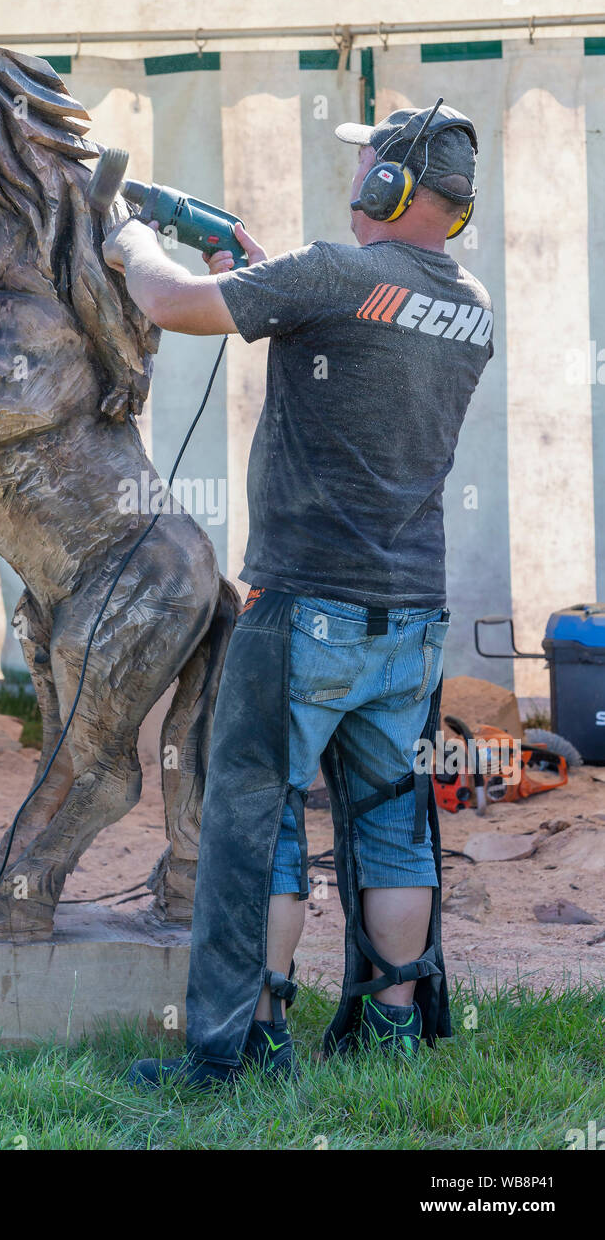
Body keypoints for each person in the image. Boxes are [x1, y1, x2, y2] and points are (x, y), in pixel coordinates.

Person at [101, 103, 493, 1088]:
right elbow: (362, 325)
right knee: (393, 821)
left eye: (364, 166)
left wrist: (128, 237)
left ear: (386, 189)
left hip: (302, 609)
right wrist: (264, 270)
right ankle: (391, 1032)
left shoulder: (331, 273)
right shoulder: (469, 302)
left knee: (258, 819)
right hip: (408, 615)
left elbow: (174, 304)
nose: (354, 179)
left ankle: (240, 1049)